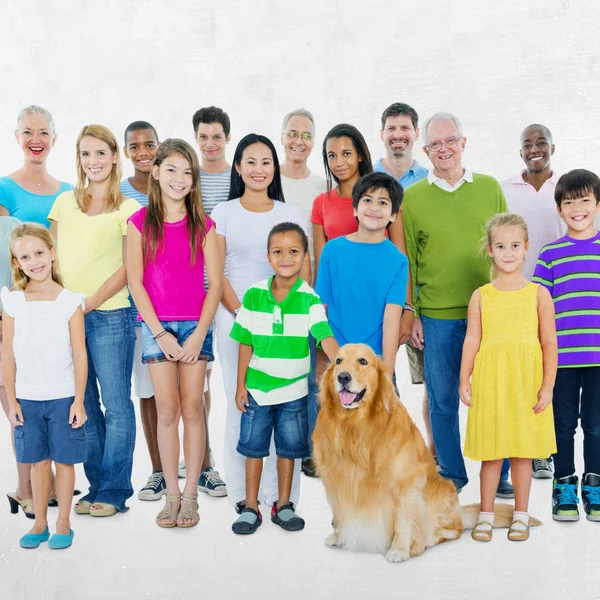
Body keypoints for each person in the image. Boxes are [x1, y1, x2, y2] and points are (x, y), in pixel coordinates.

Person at [402, 111, 509, 495]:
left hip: (490, 312)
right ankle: (451, 474)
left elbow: (506, 247)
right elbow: (409, 259)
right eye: (435, 144)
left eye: (450, 141)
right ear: (425, 149)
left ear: (463, 143)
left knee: (496, 396)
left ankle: (501, 475)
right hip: (437, 317)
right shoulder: (412, 198)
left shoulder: (489, 187)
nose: (443, 149)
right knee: (443, 400)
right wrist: (411, 312)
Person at [211, 133, 310, 514]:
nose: (258, 169)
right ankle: (242, 493)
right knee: (245, 406)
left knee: (287, 406)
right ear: (238, 167)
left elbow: (304, 273)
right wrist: (247, 316)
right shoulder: (224, 212)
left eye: (266, 162)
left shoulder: (290, 214)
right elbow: (216, 275)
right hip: (236, 319)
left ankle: (282, 497)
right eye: (250, 162)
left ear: (275, 167)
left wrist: (285, 318)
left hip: (286, 325)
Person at [128, 138, 221, 528]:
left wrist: (199, 334)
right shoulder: (138, 223)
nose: (179, 178)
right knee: (165, 411)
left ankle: (191, 498)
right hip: (157, 328)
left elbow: (214, 285)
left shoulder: (204, 224)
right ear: (157, 172)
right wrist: (161, 334)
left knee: (192, 409)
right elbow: (135, 283)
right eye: (171, 170)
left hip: (196, 327)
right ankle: (170, 495)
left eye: (187, 172)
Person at [49, 124, 140, 517]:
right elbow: (51, 258)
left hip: (110, 315)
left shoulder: (129, 209)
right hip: (66, 317)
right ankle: (96, 486)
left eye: (100, 153)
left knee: (116, 404)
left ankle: (116, 490)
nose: (93, 162)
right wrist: (62, 306)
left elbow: (128, 268)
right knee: (82, 404)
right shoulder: (64, 203)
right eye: (86, 154)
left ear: (115, 156)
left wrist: (88, 303)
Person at [230, 223, 338, 534]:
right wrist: (240, 385)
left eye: (294, 251)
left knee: (289, 451)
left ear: (305, 257)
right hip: (257, 392)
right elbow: (245, 342)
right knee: (254, 450)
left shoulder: (310, 300)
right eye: (278, 252)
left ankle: (284, 504)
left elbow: (324, 336)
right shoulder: (253, 295)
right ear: (268, 257)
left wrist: (343, 361)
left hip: (293, 393)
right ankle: (251, 506)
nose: (286, 258)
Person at [460, 214, 557, 542]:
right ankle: (486, 515)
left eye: (515, 245)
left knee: (522, 453)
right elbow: (472, 340)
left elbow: (548, 343)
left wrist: (548, 386)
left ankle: (521, 515)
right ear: (490, 250)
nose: (508, 252)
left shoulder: (539, 295)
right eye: (501, 246)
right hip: (492, 383)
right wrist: (465, 378)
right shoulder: (481, 296)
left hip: (526, 383)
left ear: (527, 248)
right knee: (492, 452)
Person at [2, 223, 88, 549]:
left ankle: (63, 523)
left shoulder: (69, 301)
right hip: (27, 397)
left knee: (63, 461)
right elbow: (7, 355)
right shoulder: (13, 302)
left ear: (52, 253)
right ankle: (40, 522)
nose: (34, 261)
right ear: (17, 263)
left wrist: (79, 400)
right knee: (38, 462)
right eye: (25, 256)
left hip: (63, 396)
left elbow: (79, 353)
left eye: (39, 253)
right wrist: (11, 400)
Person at [533, 169, 600, 523]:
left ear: (598, 204)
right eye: (569, 202)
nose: (577, 208)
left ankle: (595, 483)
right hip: (560, 359)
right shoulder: (550, 255)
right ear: (559, 209)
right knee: (561, 424)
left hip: (598, 359)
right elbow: (539, 309)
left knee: (596, 423)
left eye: (585, 200)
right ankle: (564, 485)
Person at [177, 106, 232, 496]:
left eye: (216, 136)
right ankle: (204, 458)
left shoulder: (238, 177)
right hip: (188, 293)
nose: (209, 143)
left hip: (224, 292)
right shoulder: (186, 178)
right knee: (198, 383)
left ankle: (211, 457)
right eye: (203, 137)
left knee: (218, 378)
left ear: (227, 138)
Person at [501, 124, 561, 480]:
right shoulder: (506, 189)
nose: (534, 149)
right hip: (518, 291)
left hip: (559, 295)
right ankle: (514, 450)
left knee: (548, 372)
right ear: (520, 150)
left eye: (541, 143)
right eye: (527, 144)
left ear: (553, 146)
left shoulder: (566, 187)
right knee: (520, 373)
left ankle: (542, 451)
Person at [379, 102, 434, 458]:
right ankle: (386, 453)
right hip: (374, 296)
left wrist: (413, 306)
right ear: (382, 133)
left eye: (405, 128)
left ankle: (433, 455)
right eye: (392, 128)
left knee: (433, 380)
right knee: (380, 377)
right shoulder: (365, 176)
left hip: (418, 295)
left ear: (415, 134)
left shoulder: (428, 181)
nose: (399, 135)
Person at [316, 172, 408, 375]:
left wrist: (386, 373)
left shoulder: (398, 261)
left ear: (393, 214)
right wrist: (334, 357)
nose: (374, 208)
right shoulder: (332, 250)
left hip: (373, 361)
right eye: (367, 200)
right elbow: (319, 311)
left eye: (383, 202)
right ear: (355, 208)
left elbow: (392, 321)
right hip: (334, 357)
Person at [279, 108, 326, 478]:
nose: (299, 140)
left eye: (307, 135)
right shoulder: (269, 178)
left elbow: (317, 242)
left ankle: (311, 447)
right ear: (282, 137)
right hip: (272, 293)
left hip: (307, 293)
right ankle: (279, 444)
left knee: (311, 374)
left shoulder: (319, 186)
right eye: (293, 133)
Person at [120, 120, 165, 501]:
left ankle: (201, 462)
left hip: (180, 305)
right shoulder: (120, 195)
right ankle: (158, 469)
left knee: (193, 389)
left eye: (149, 144)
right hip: (137, 309)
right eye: (134, 146)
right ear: (126, 152)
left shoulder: (174, 182)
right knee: (148, 390)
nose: (143, 152)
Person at [311, 123, 373, 280]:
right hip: (337, 296)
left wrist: (406, 304)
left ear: (359, 155)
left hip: (380, 293)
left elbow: (401, 257)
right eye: (332, 155)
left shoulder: (383, 198)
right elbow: (321, 267)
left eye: (346, 153)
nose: (338, 162)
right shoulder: (321, 202)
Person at [0, 106, 72, 226]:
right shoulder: (3, 189)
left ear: (53, 139)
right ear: (17, 137)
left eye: (43, 133)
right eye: (28, 132)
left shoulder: (69, 192)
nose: (36, 140)